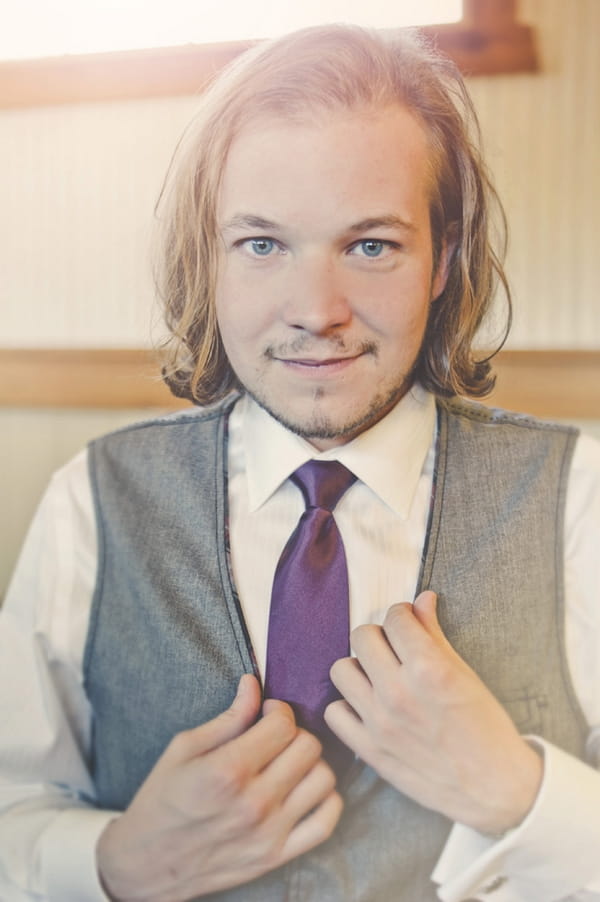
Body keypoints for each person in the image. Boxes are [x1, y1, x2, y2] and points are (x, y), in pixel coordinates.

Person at [1, 22, 599, 902]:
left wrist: (520, 795)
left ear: (444, 258)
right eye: (262, 245)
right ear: (209, 262)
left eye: (370, 245)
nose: (316, 311)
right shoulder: (89, 505)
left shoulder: (581, 501)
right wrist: (113, 861)